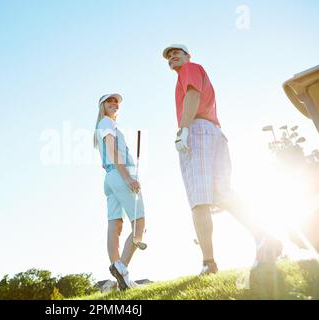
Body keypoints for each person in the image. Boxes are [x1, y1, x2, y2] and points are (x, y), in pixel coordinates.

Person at [162, 44, 281, 275]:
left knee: (199, 200)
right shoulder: (195, 70)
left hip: (196, 130)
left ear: (188, 56)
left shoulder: (190, 69)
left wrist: (184, 129)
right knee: (222, 193)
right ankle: (264, 236)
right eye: (168, 56)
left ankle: (209, 263)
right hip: (214, 132)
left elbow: (193, 94)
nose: (172, 57)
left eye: (177, 52)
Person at [93, 93, 146, 290]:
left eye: (116, 101)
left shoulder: (103, 125)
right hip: (120, 174)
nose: (114, 103)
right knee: (139, 223)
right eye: (110, 101)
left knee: (115, 225)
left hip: (110, 177)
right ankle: (121, 267)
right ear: (102, 106)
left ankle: (120, 278)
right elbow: (113, 151)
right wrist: (128, 177)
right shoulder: (107, 122)